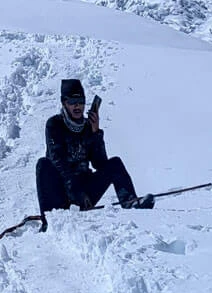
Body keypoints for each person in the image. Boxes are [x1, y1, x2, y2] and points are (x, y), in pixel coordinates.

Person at [35, 78, 154, 215]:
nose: (77, 106)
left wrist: (95, 133)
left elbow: (100, 163)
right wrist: (77, 192)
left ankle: (130, 203)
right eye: (72, 102)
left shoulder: (88, 127)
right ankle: (49, 220)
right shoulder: (54, 124)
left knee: (115, 164)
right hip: (62, 192)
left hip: (84, 193)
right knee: (43, 164)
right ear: (64, 103)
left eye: (81, 102)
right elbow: (58, 161)